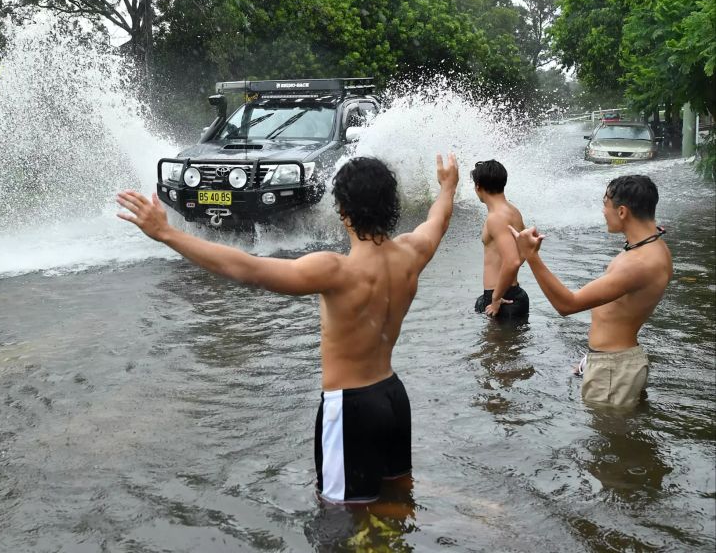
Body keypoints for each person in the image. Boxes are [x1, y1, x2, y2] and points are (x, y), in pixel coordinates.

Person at [117, 154, 459, 503]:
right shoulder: (412, 252)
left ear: (343, 210)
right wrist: (448, 185)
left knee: (339, 513)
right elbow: (439, 218)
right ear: (391, 204)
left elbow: (247, 268)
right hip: (392, 396)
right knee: (398, 492)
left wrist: (166, 233)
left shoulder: (335, 270)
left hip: (351, 407)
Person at [509, 175, 672, 407]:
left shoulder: (639, 264)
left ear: (622, 212)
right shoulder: (655, 246)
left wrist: (531, 256)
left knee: (610, 439)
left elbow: (567, 305)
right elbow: (617, 310)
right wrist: (591, 359)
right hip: (616, 362)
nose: (603, 211)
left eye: (605, 204)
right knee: (622, 438)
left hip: (614, 369)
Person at [471, 160, 529, 320]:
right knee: (510, 344)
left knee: (494, 345)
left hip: (502, 299)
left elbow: (512, 261)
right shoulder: (513, 210)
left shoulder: (496, 217)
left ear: (478, 186)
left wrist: (496, 298)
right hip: (510, 294)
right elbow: (528, 247)